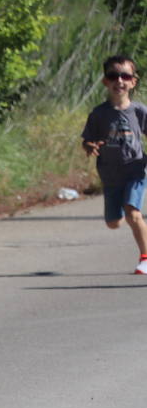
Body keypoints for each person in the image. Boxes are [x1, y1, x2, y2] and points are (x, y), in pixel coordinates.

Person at [81, 54, 147, 274]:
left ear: (133, 81)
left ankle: (145, 257)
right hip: (110, 175)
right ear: (105, 81)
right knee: (113, 222)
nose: (119, 81)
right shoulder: (99, 114)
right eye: (113, 76)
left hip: (136, 169)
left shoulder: (139, 111)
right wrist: (90, 146)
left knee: (133, 214)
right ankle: (119, 213)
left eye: (125, 76)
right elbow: (87, 140)